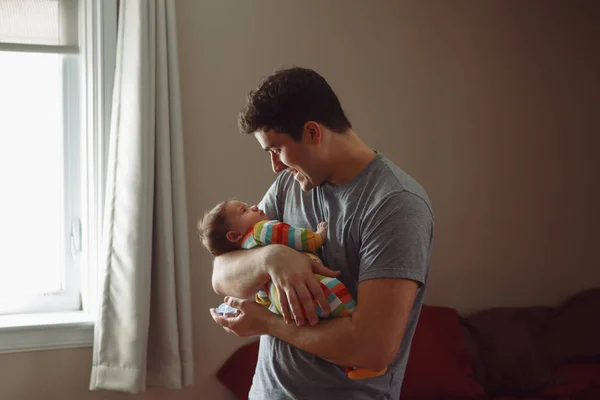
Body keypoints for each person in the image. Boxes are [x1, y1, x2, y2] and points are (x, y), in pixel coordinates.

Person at [209, 67, 434, 399]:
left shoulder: (395, 205)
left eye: (276, 149)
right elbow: (222, 274)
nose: (275, 166)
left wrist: (268, 324)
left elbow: (372, 350)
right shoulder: (290, 185)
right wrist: (274, 257)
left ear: (313, 132)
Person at [198, 199, 387, 379]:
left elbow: (262, 295)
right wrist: (318, 237)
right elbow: (294, 236)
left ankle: (353, 362)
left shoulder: (246, 252)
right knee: (344, 311)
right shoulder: (262, 229)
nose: (255, 206)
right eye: (244, 210)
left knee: (327, 328)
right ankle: (355, 365)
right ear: (234, 236)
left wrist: (267, 317)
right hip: (317, 288)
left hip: (286, 307)